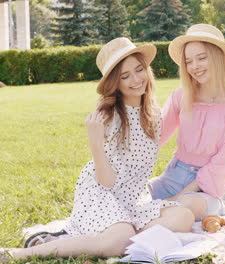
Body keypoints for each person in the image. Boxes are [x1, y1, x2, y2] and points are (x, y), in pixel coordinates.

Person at [0, 38, 194, 262]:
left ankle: (92, 239)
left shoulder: (153, 113)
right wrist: (95, 145)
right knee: (117, 241)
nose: (136, 79)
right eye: (125, 76)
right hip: (101, 192)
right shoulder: (107, 116)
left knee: (183, 216)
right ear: (115, 83)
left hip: (133, 198)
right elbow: (107, 182)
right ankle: (21, 253)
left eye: (139, 70)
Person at [147, 24, 225, 220]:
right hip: (174, 175)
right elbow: (155, 136)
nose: (194, 66)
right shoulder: (181, 95)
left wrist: (177, 198)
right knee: (136, 201)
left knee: (184, 207)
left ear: (217, 57)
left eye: (201, 58)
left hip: (207, 188)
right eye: (188, 61)